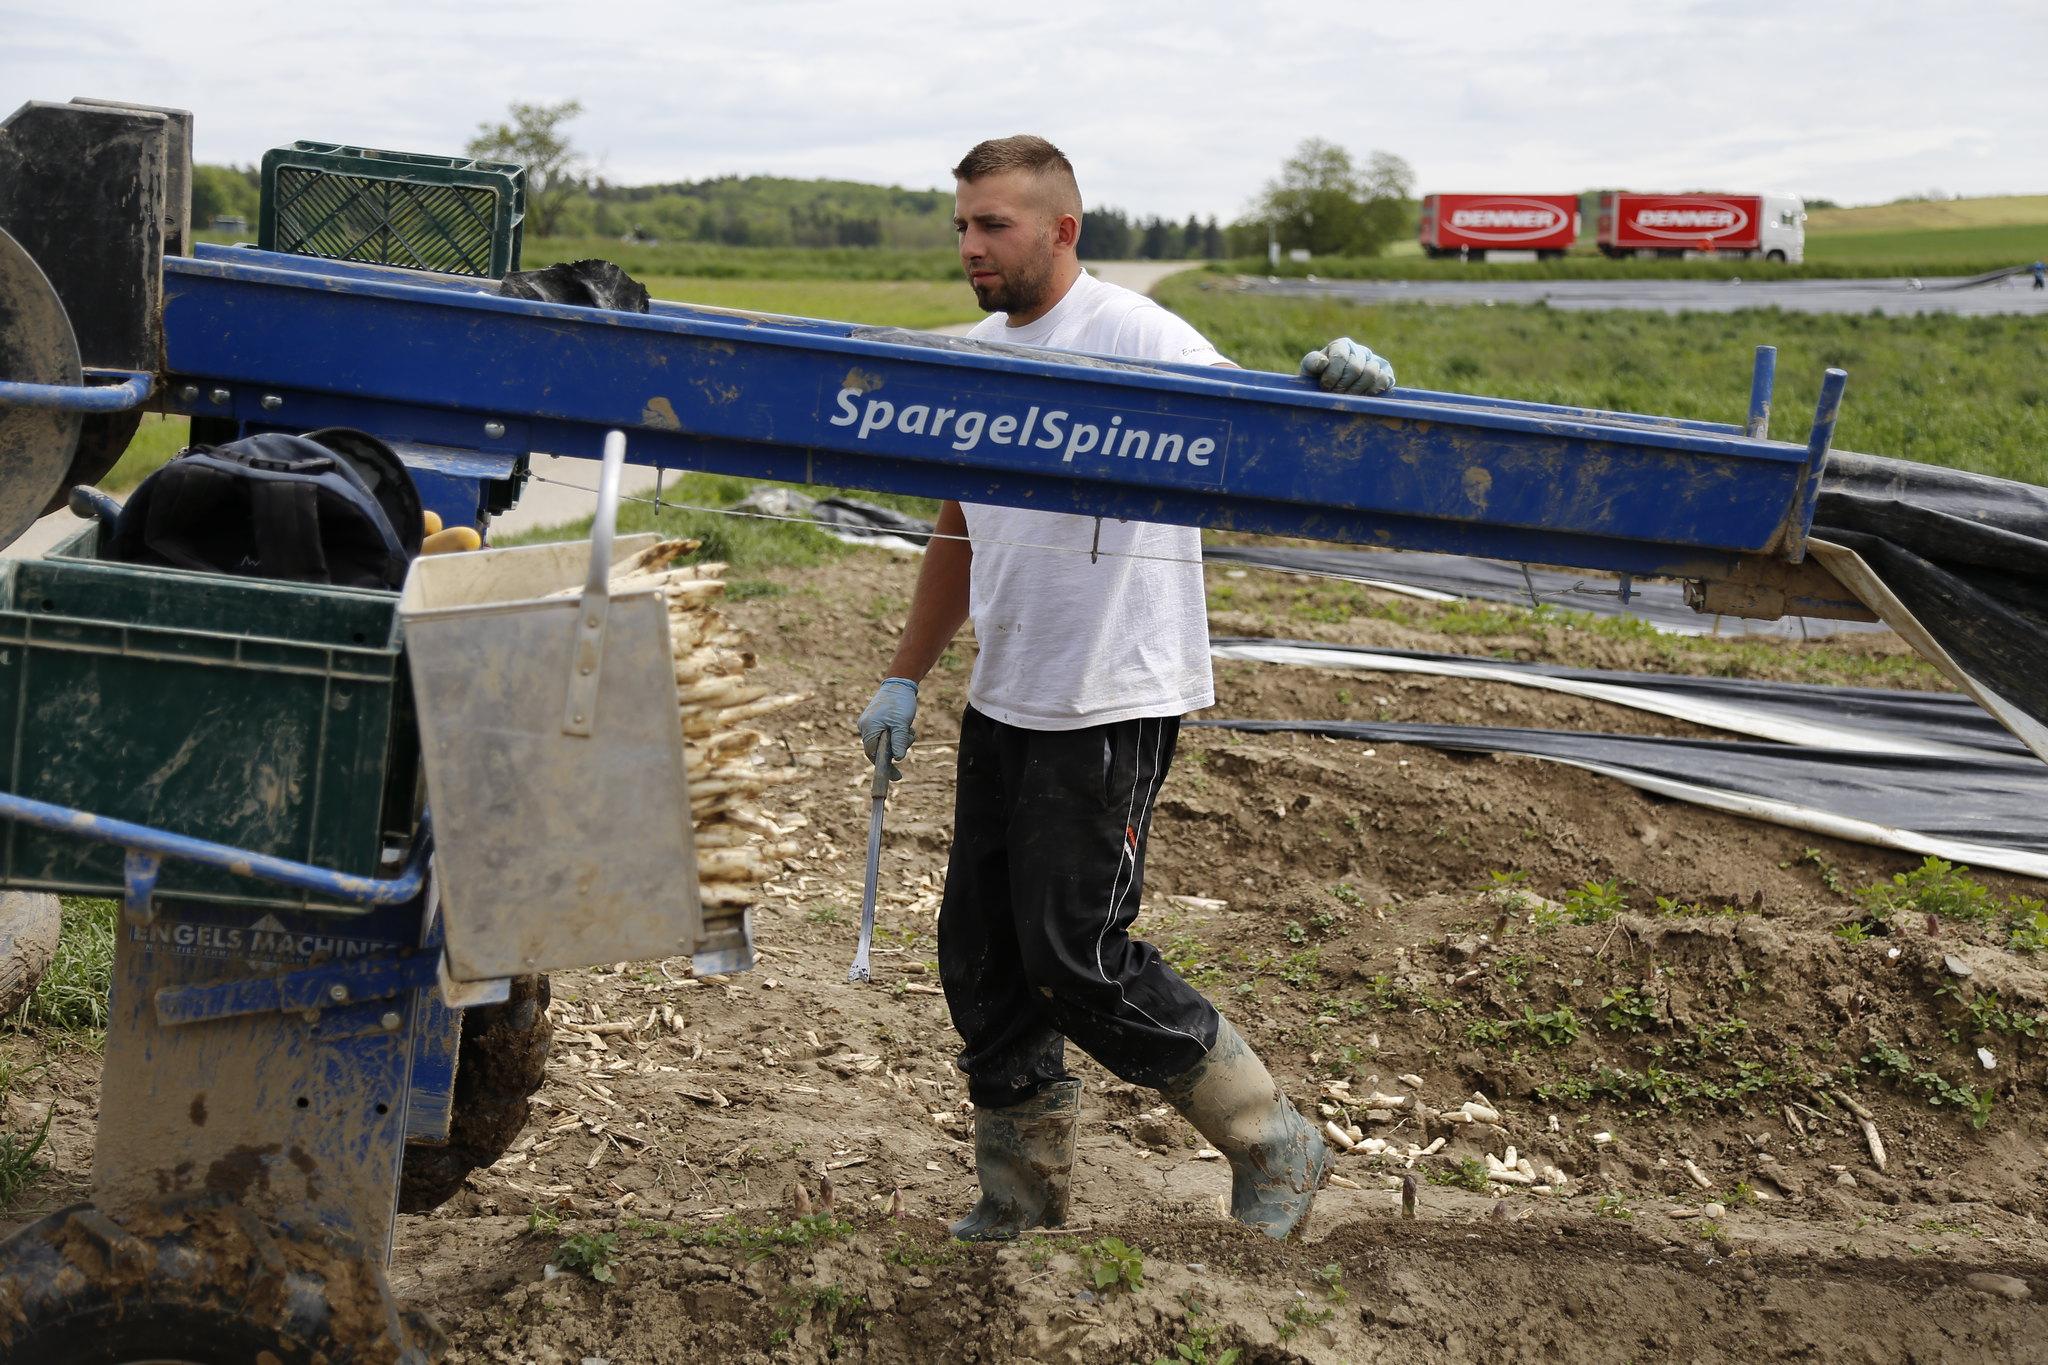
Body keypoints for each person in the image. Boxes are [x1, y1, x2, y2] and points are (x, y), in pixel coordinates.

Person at [855, 135, 1393, 1243]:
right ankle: (1020, 1196)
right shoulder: (973, 358)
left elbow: (1261, 442)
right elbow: (959, 524)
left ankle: (1270, 1139)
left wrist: (1332, 399)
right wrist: (905, 675)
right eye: (959, 224)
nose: (970, 246)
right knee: (980, 956)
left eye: (992, 224)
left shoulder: (1135, 336)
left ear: (1061, 230)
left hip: (1108, 698)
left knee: (1074, 951)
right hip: (1005, 695)